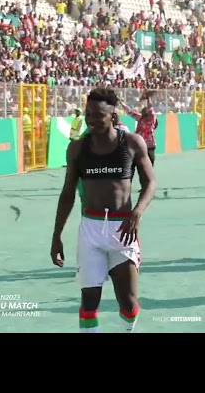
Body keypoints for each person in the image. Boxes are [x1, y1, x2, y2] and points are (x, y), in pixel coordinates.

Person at [50, 88, 157, 333]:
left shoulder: (131, 143)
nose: (91, 120)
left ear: (113, 117)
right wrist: (56, 236)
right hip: (91, 230)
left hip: (123, 231)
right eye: (88, 114)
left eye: (98, 115)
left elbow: (150, 182)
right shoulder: (77, 149)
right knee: (89, 301)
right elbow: (67, 194)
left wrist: (137, 212)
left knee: (128, 304)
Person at [121, 93, 158, 166]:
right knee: (138, 161)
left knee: (150, 162)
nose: (144, 111)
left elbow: (150, 108)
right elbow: (129, 111)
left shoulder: (151, 118)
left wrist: (148, 99)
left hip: (150, 144)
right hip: (140, 143)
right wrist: (121, 103)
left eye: (146, 110)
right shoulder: (140, 118)